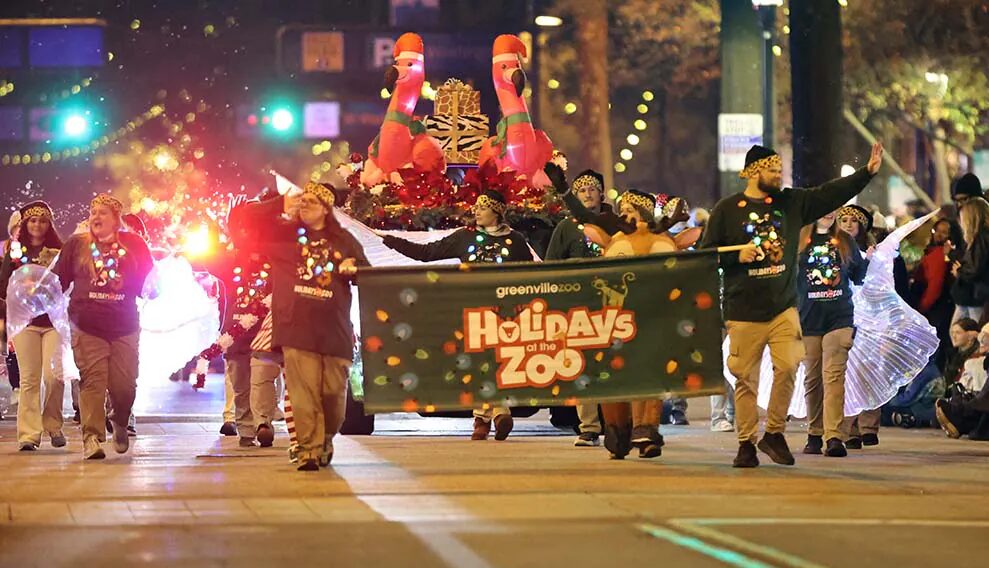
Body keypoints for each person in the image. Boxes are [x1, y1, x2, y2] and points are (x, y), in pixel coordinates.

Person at [701, 142, 883, 468]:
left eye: (779, 170)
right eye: (772, 170)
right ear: (753, 172)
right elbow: (705, 255)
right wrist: (733, 255)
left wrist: (866, 173)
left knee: (788, 367)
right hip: (743, 311)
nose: (778, 175)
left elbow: (830, 193)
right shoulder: (727, 210)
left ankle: (774, 432)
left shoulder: (791, 203)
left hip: (784, 308)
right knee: (745, 379)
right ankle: (746, 443)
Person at [230, 182, 368, 471]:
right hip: (295, 329)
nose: (304, 205)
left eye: (312, 202)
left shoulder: (344, 240)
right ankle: (307, 449)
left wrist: (353, 270)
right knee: (302, 393)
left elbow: (365, 272)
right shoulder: (283, 235)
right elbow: (241, 220)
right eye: (301, 201)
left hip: (334, 332)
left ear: (327, 209)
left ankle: (325, 438)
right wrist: (278, 203)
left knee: (332, 397)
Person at [379, 189, 533, 441]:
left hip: (505, 313)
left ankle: (483, 419)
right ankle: (497, 413)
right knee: (481, 361)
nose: (476, 211)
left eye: (482, 208)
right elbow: (426, 253)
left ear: (496, 212)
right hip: (472, 309)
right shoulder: (465, 237)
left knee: (498, 362)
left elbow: (530, 275)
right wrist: (392, 240)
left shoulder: (515, 241)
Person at [52, 194, 155, 460]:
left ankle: (120, 420)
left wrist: (156, 289)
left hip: (125, 326)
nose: (96, 217)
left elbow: (149, 284)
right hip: (87, 325)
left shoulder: (135, 244)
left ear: (116, 219)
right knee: (93, 381)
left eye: (103, 212)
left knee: (124, 387)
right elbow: (57, 283)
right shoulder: (76, 244)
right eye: (92, 211)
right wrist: (34, 300)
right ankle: (92, 437)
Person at [544, 169, 613, 447]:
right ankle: (589, 427)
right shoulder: (565, 228)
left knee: (612, 365)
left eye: (592, 189)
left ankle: (617, 422)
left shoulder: (614, 223)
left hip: (611, 305)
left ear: (602, 193)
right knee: (583, 366)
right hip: (577, 308)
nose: (587, 194)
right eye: (581, 190)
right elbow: (551, 266)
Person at [796, 210, 867, 457]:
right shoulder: (798, 240)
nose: (827, 212)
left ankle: (834, 436)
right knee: (813, 378)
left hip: (840, 318)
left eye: (833, 208)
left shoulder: (846, 241)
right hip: (808, 320)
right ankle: (814, 433)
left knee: (834, 377)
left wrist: (870, 259)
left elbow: (859, 276)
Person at [0, 201, 65, 451]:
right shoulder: (15, 252)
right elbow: (3, 282)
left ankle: (53, 424)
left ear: (49, 225)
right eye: (33, 220)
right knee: (29, 379)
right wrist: (21, 290)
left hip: (52, 323)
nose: (37, 225)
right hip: (25, 323)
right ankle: (28, 435)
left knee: (53, 377)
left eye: (43, 220)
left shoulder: (59, 250)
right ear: (25, 224)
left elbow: (68, 282)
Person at [835, 203, 882, 448]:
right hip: (845, 316)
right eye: (843, 221)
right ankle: (848, 429)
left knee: (869, 370)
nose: (848, 225)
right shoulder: (834, 250)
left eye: (853, 221)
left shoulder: (876, 251)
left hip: (871, 318)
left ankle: (868, 426)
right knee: (846, 371)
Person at [911, 218, 960, 370]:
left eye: (944, 232)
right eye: (936, 231)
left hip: (934, 310)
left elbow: (935, 286)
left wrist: (921, 309)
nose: (939, 235)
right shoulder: (932, 252)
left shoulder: (938, 255)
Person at [951, 197, 989, 324]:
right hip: (973, 295)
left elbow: (974, 268)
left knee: (973, 333)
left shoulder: (981, 238)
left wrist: (959, 271)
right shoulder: (980, 237)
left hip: (975, 295)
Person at [944, 318, 981, 386]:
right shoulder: (951, 354)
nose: (953, 336)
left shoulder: (975, 357)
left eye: (958, 333)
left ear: (971, 335)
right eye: (952, 332)